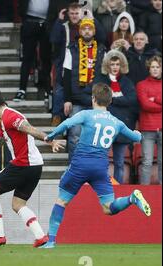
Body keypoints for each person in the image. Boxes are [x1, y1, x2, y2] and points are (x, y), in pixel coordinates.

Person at [40, 83, 151, 249]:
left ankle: (51, 241)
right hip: (100, 168)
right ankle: (131, 198)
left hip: (80, 165)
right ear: (110, 101)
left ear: (93, 99)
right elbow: (135, 137)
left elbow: (67, 124)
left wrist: (50, 136)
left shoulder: (86, 114)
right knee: (109, 208)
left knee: (62, 200)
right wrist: (138, 134)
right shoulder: (116, 122)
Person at [0, 93, 65, 247]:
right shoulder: (7, 118)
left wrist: (50, 141)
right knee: (18, 204)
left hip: (23, 164)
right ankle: (40, 237)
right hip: (35, 166)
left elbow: (29, 129)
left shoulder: (9, 117)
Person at [62, 18, 106, 161]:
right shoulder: (71, 49)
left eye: (90, 28)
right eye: (84, 28)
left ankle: (92, 168)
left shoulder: (102, 50)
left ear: (94, 31)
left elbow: (105, 77)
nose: (87, 31)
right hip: (76, 100)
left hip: (96, 100)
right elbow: (66, 76)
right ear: (80, 31)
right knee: (75, 136)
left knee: (96, 136)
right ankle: (74, 168)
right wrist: (67, 99)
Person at [94, 49, 138, 183]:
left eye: (117, 64)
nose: (115, 67)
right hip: (104, 126)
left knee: (119, 162)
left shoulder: (127, 82)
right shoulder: (101, 80)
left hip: (121, 127)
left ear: (121, 66)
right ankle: (103, 185)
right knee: (102, 161)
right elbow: (96, 98)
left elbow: (131, 100)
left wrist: (111, 99)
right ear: (108, 65)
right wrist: (118, 100)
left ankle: (118, 187)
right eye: (112, 64)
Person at [136, 55, 162, 184]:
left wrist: (155, 99)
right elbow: (145, 105)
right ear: (149, 69)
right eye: (153, 67)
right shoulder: (141, 85)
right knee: (147, 161)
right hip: (147, 128)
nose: (155, 69)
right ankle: (144, 192)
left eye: (158, 67)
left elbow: (150, 103)